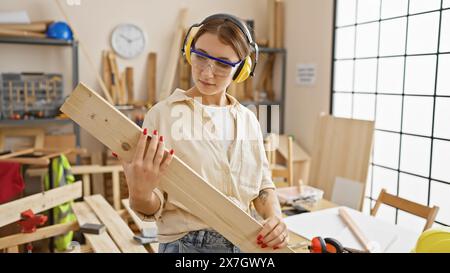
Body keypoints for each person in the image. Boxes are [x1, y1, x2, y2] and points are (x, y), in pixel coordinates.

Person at [114, 13, 288, 253]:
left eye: (223, 64)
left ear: (242, 69)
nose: (207, 72)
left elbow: (262, 185)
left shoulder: (249, 120)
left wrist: (275, 217)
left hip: (247, 243)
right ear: (189, 52)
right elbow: (153, 206)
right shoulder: (162, 115)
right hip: (186, 245)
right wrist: (140, 193)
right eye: (201, 57)